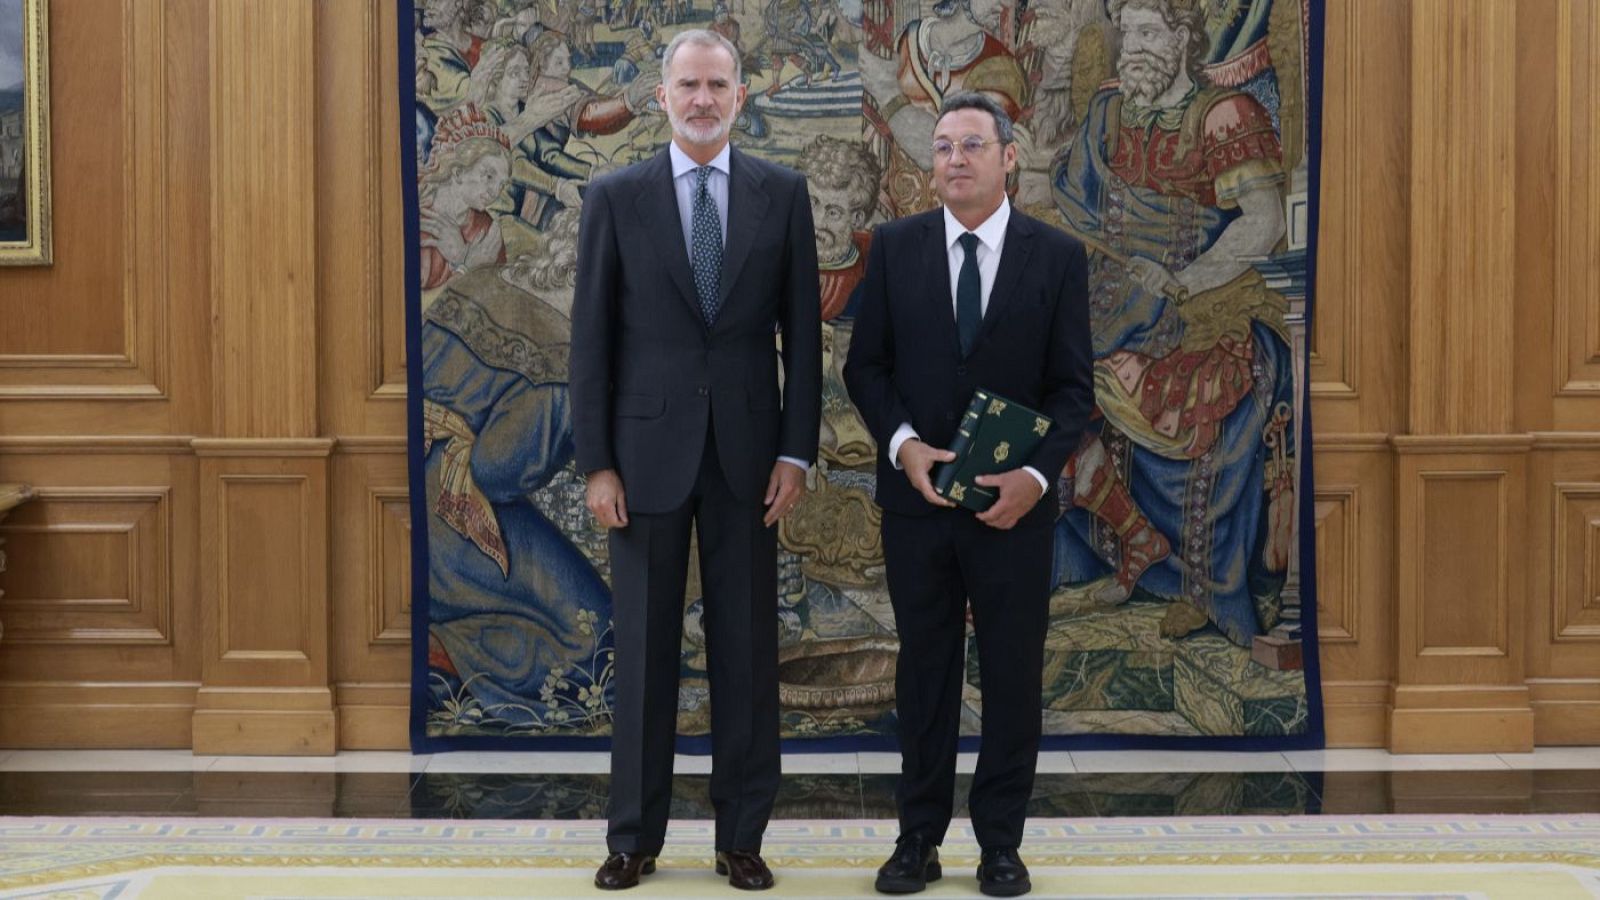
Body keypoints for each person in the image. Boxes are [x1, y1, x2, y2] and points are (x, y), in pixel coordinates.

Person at [570, 28, 822, 893]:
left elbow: (804, 339)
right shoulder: (615, 195)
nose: (704, 98)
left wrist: (797, 450)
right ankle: (633, 838)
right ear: (662, 97)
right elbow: (590, 341)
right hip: (641, 463)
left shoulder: (782, 195)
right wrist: (598, 462)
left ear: (741, 97)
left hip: (752, 460)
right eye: (689, 84)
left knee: (747, 656)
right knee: (643, 653)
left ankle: (741, 835)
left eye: (719, 84)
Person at [843, 92, 1093, 897]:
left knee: (1014, 675)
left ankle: (1000, 846)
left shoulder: (1056, 257)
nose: (954, 159)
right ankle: (917, 840)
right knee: (926, 675)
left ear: (1008, 157)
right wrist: (904, 445)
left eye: (972, 145)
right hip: (917, 508)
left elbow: (1071, 391)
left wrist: (1033, 477)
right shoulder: (894, 247)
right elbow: (865, 368)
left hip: (1015, 512)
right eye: (943, 146)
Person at [1050, 0, 1294, 642]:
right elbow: (1071, 199)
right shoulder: (1108, 109)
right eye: (1126, 31)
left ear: (1184, 40)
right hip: (1111, 292)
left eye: (1148, 31)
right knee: (1027, 368)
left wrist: (1186, 280)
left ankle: (1199, 582)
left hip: (1197, 299)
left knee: (1106, 378)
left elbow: (1265, 222)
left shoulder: (1223, 115)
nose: (1131, 44)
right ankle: (1130, 542)